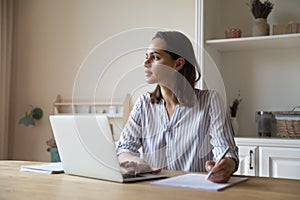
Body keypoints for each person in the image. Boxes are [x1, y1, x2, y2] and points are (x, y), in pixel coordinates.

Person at [116, 30, 239, 183]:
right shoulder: (143, 104)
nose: (146, 63)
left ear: (178, 63)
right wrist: (135, 161)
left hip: (197, 192)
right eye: (146, 57)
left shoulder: (210, 101)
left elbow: (226, 150)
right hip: (154, 191)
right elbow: (124, 148)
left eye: (155, 57)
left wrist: (225, 165)